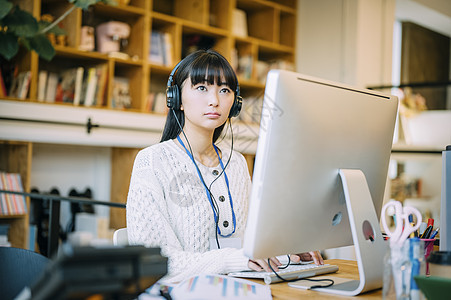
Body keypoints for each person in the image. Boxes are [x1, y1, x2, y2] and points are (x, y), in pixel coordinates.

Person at [126, 49, 323, 283]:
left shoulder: (237, 163)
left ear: (235, 103)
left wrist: (289, 253)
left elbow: (251, 246)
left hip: (242, 288)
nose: (214, 100)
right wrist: (231, 260)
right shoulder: (152, 162)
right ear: (176, 99)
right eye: (202, 88)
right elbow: (155, 262)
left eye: (224, 90)